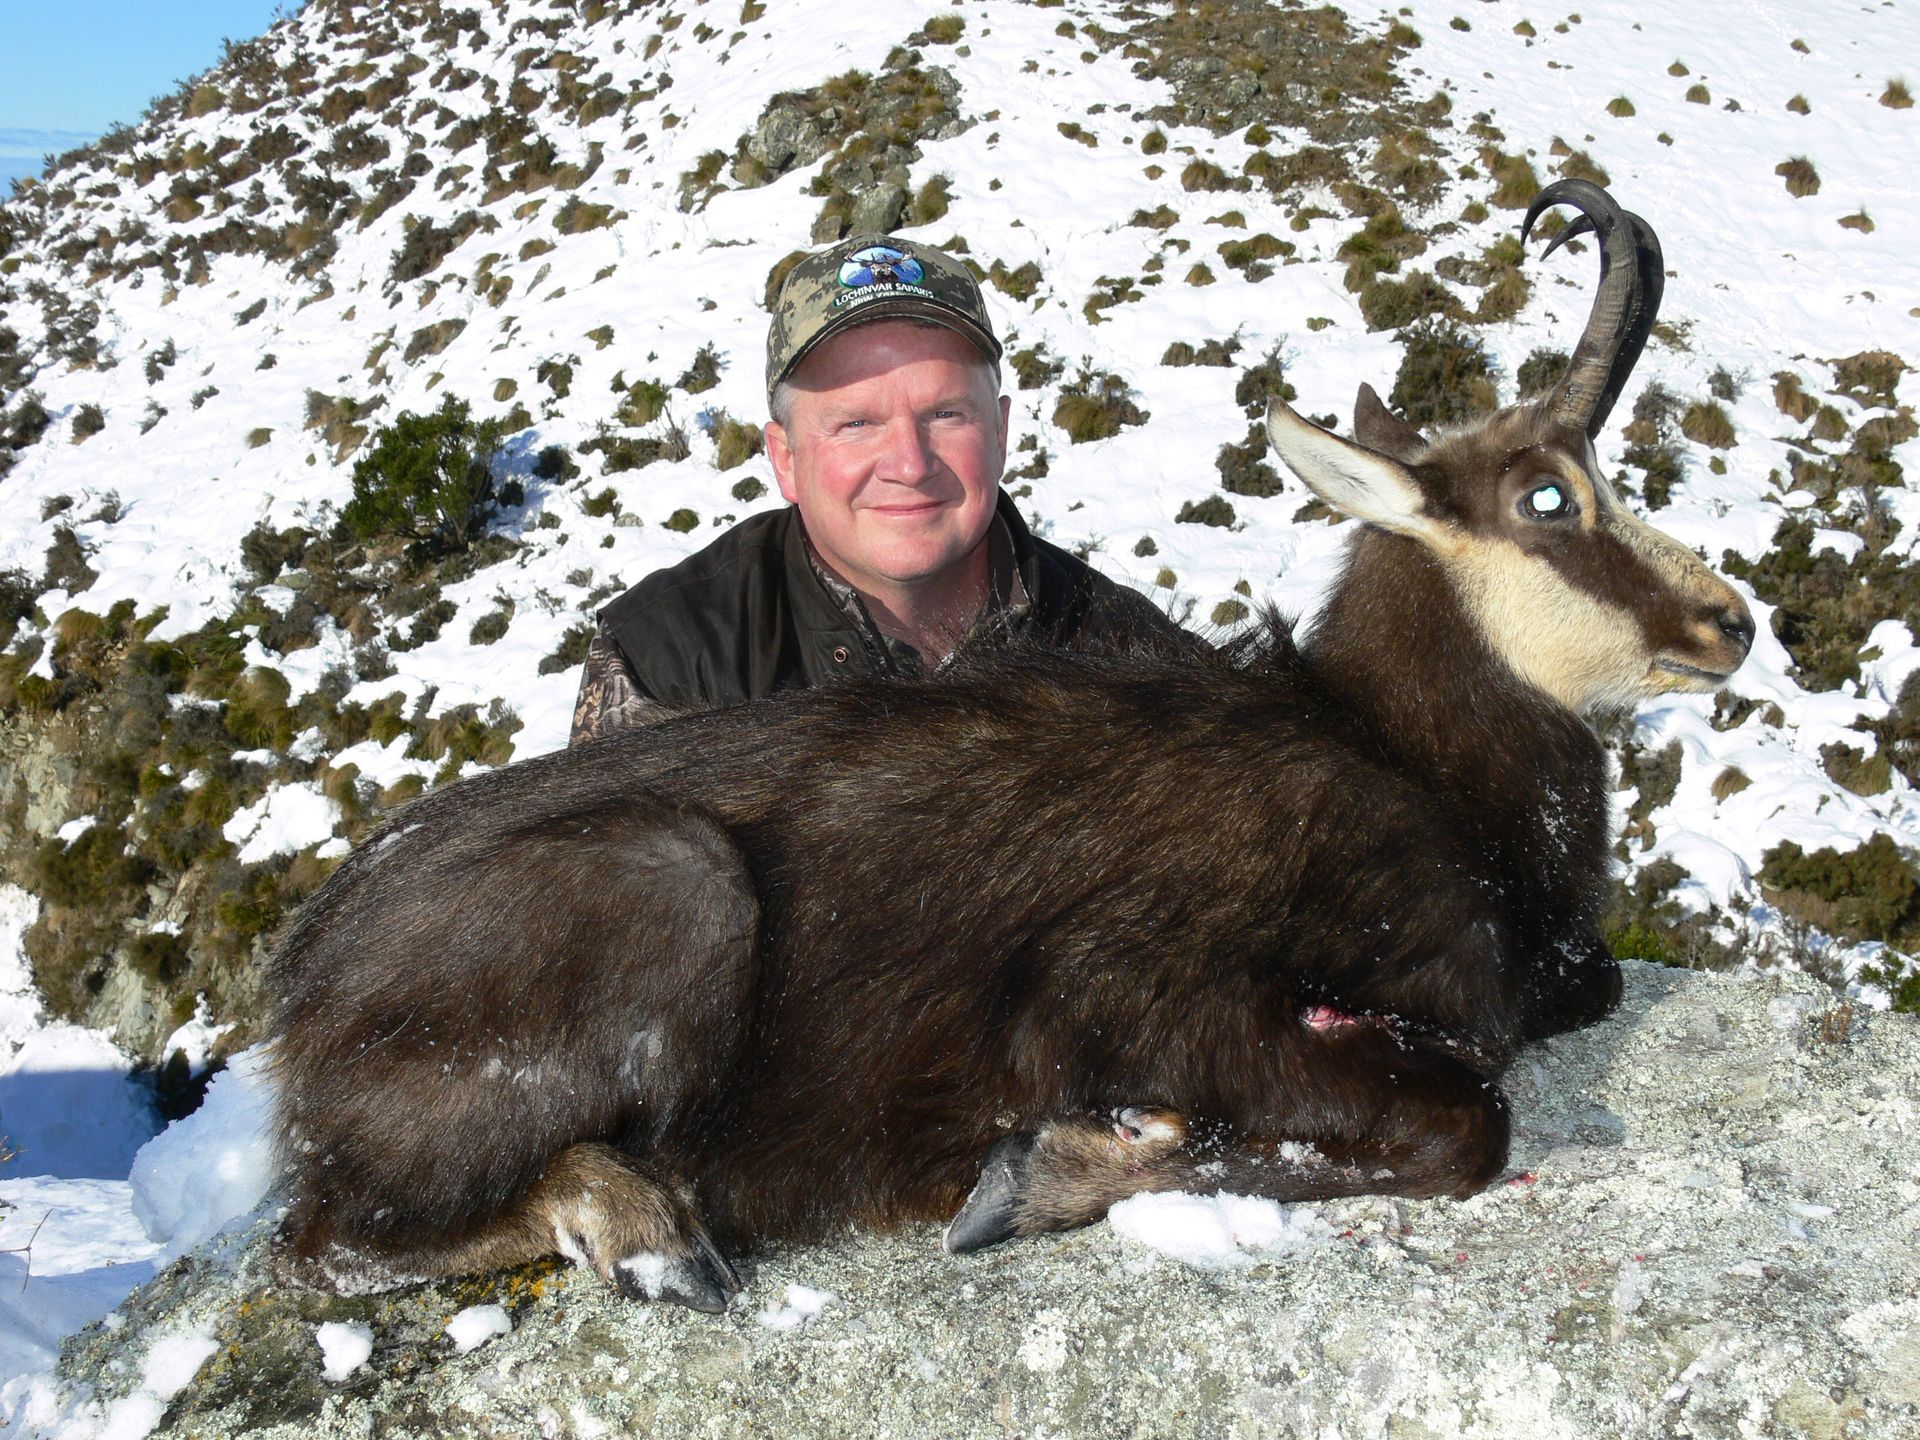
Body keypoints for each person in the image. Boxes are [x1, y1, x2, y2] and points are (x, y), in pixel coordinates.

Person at [569, 233, 1195, 745]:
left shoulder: (1132, 660)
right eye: (857, 423)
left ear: (1001, 432)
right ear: (785, 459)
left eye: (946, 414)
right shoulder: (669, 663)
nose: (910, 463)